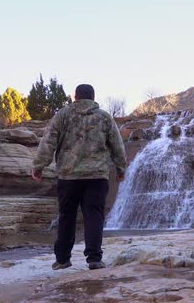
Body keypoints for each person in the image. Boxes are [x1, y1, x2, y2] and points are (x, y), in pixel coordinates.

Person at [32, 84, 127, 270]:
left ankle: (62, 259)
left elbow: (48, 141)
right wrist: (121, 168)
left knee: (67, 216)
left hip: (69, 176)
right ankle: (94, 259)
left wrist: (38, 166)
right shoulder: (104, 117)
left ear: (75, 97)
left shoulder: (63, 115)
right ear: (93, 97)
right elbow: (117, 145)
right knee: (94, 216)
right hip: (97, 176)